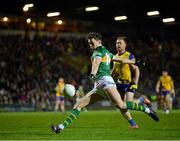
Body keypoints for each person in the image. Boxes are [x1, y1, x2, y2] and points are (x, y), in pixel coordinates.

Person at [51, 32, 159, 134]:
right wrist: (135, 62)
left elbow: (96, 63)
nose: (90, 45)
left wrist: (92, 74)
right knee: (78, 104)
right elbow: (119, 59)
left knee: (121, 104)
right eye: (89, 43)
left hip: (106, 81)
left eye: (92, 42)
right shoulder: (106, 51)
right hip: (99, 84)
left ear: (98, 41)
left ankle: (147, 110)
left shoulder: (97, 51)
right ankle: (60, 127)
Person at [111, 36, 151, 129]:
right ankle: (133, 124)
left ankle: (141, 99)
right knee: (120, 105)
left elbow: (136, 69)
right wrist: (108, 80)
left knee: (129, 104)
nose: (118, 45)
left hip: (129, 84)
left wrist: (135, 83)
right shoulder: (115, 57)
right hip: (119, 84)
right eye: (117, 43)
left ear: (125, 44)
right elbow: (114, 71)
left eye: (120, 43)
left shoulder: (130, 55)